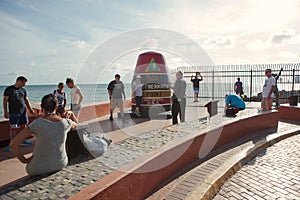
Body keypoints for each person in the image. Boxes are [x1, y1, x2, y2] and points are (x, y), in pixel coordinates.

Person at [10, 94, 77, 176]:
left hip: (37, 168)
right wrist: (71, 113)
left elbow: (13, 144)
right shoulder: (66, 123)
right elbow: (76, 124)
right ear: (56, 107)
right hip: (60, 164)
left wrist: (24, 160)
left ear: (41, 107)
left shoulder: (37, 124)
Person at [3, 76, 35, 151]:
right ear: (19, 81)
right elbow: (4, 101)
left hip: (23, 113)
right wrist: (5, 112)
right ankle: (12, 144)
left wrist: (30, 109)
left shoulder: (23, 90)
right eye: (24, 83)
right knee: (14, 128)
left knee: (24, 127)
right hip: (14, 113)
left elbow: (26, 100)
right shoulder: (9, 89)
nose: (24, 85)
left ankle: (22, 141)